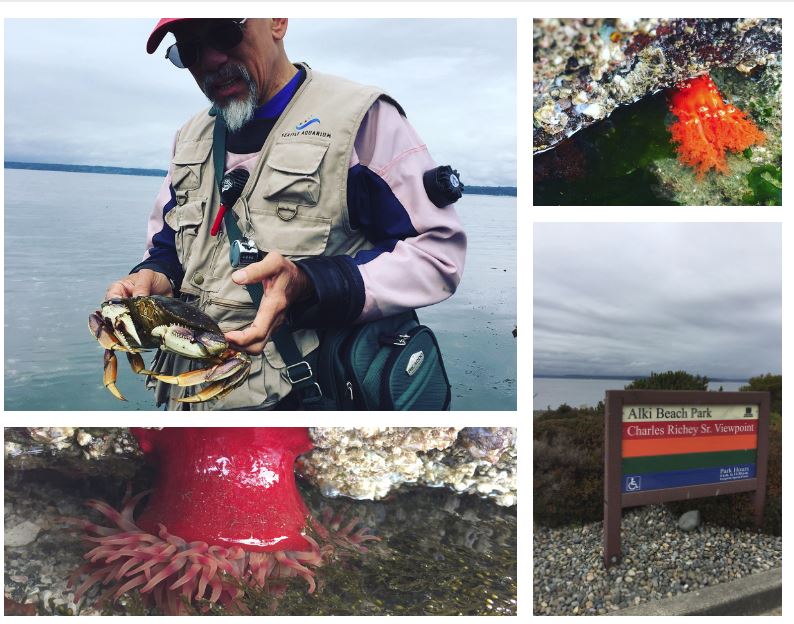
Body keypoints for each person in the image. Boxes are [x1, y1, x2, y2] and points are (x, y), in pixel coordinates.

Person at [106, 18, 466, 410]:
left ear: (277, 21)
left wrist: (310, 283)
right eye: (188, 51)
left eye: (225, 33)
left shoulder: (361, 119)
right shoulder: (189, 138)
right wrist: (155, 275)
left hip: (307, 398)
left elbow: (437, 254)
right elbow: (169, 244)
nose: (210, 59)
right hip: (187, 397)